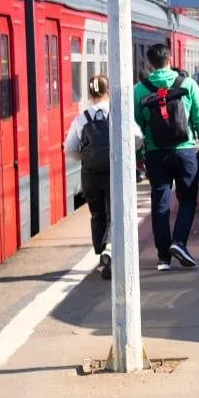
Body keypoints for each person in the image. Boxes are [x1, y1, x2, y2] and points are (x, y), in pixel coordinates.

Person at [134, 43, 199, 271]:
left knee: (160, 203)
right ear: (170, 59)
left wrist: (140, 154)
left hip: (156, 154)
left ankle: (163, 258)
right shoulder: (187, 84)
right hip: (185, 151)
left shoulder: (140, 89)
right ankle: (179, 242)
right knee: (187, 198)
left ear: (150, 63)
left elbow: (136, 126)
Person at [62, 75, 141, 280]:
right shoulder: (118, 114)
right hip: (113, 172)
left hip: (90, 175)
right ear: (109, 92)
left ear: (90, 94)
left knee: (97, 215)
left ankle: (101, 256)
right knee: (113, 213)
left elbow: (69, 148)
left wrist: (86, 158)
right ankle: (109, 248)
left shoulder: (82, 118)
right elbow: (138, 138)